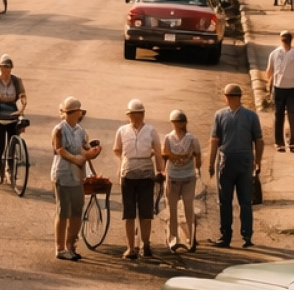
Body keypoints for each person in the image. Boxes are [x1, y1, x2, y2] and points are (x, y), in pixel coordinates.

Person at [207, 84, 265, 248]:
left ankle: (226, 235)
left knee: (225, 201)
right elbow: (259, 141)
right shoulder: (251, 116)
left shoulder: (220, 115)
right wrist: (258, 162)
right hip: (245, 161)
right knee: (245, 201)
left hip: (226, 162)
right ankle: (247, 236)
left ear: (228, 97)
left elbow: (214, 141)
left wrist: (211, 163)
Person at [50, 98, 102, 261]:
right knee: (63, 211)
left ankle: (71, 245)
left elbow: (85, 147)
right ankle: (60, 248)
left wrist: (93, 151)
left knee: (77, 211)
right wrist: (75, 158)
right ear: (71, 113)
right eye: (78, 111)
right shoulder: (59, 129)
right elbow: (59, 149)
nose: (80, 114)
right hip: (63, 173)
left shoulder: (80, 130)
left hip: (77, 176)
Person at [112, 99, 162, 260]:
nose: (134, 117)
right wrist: (125, 162)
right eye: (131, 115)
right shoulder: (122, 130)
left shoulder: (150, 130)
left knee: (146, 212)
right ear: (128, 116)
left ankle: (146, 244)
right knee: (129, 213)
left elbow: (158, 151)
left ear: (142, 114)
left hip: (147, 173)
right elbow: (117, 149)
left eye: (137, 114)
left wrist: (161, 170)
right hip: (128, 173)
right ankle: (130, 247)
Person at [161, 110, 202, 251]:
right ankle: (173, 239)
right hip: (172, 176)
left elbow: (198, 155)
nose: (177, 125)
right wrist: (161, 172)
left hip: (188, 177)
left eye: (179, 122)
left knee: (188, 208)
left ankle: (191, 239)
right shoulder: (168, 138)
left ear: (184, 123)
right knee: (172, 209)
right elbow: (164, 155)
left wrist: (197, 169)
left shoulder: (192, 138)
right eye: (175, 122)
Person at [266, 30, 294, 152]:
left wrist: (269, 85)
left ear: (281, 39)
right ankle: (288, 143)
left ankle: (282, 143)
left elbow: (269, 72)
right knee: (289, 116)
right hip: (288, 88)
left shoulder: (277, 53)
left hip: (283, 88)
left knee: (282, 116)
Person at [0, 55, 27, 172]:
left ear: (11, 68)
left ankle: (10, 168)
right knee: (0, 143)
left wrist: (22, 110)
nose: (5, 70)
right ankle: (0, 167)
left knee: (13, 140)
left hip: (12, 109)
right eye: (2, 67)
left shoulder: (16, 80)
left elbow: (23, 97)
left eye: (7, 67)